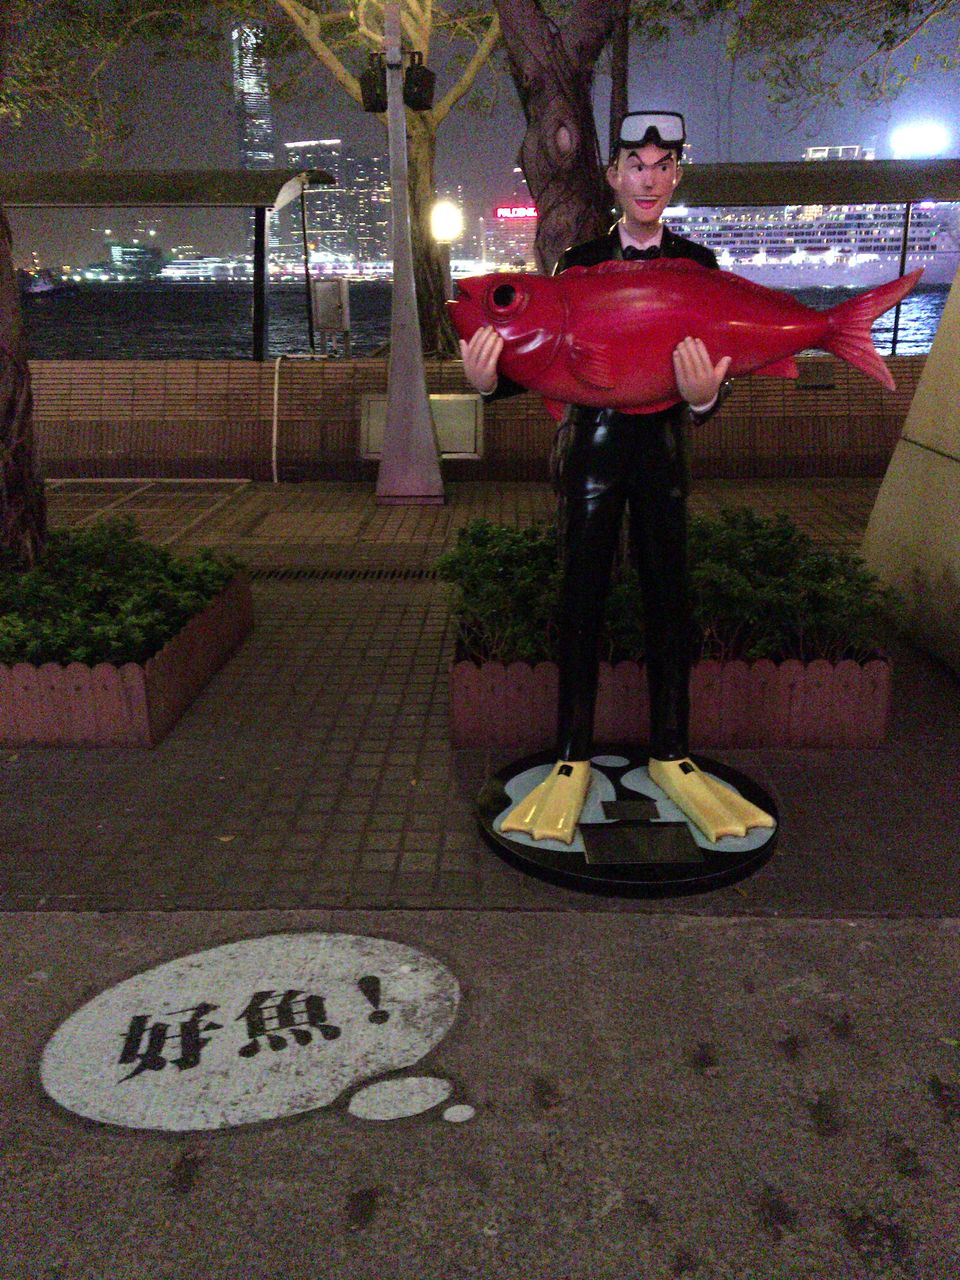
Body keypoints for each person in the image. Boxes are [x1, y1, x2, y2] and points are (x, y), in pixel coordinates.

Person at [460, 110, 774, 846]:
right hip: (592, 455)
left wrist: (706, 397)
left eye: (662, 167)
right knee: (580, 597)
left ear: (676, 176)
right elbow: (547, 349)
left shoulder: (699, 263)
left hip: (663, 455)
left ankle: (673, 751)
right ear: (613, 175)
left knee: (670, 598)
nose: (649, 180)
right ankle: (571, 756)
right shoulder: (578, 263)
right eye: (636, 165)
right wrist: (490, 381)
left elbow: (720, 359)